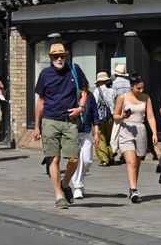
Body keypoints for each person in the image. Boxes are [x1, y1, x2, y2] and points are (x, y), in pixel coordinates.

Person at [33, 43, 88, 209]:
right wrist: (36, 126)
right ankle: (58, 196)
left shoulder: (74, 69)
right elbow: (41, 101)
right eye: (55, 56)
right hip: (50, 120)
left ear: (66, 55)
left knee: (74, 158)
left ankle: (65, 184)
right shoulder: (45, 74)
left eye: (62, 55)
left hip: (69, 121)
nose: (59, 59)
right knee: (54, 158)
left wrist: (80, 108)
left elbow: (85, 91)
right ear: (50, 57)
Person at [114, 75, 157, 203]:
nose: (141, 90)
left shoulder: (146, 98)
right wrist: (122, 116)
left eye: (142, 88)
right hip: (126, 130)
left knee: (137, 162)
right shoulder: (123, 97)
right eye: (138, 88)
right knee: (131, 161)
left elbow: (150, 117)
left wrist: (154, 133)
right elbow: (115, 116)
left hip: (140, 130)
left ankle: (133, 187)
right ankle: (133, 190)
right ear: (131, 86)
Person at [69, 85, 102, 199]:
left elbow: (95, 115)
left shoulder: (90, 96)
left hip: (87, 131)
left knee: (87, 160)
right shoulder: (70, 95)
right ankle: (77, 187)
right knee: (75, 160)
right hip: (72, 131)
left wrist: (96, 133)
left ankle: (79, 181)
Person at [92, 71, 117, 166]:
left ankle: (104, 159)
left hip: (99, 118)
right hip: (111, 117)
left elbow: (94, 104)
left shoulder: (96, 91)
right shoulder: (113, 91)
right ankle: (110, 155)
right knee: (110, 137)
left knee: (100, 137)